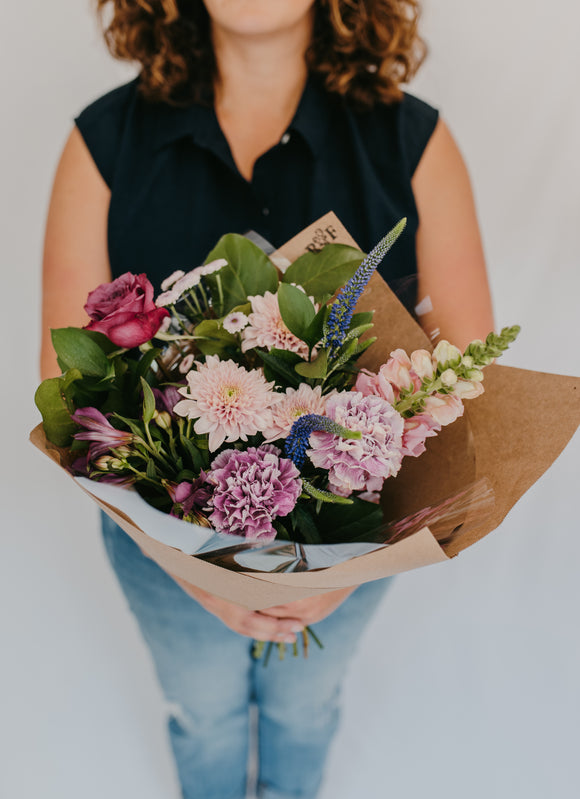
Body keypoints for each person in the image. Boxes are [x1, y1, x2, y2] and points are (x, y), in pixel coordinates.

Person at [40, 1, 494, 797]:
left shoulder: (414, 142)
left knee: (307, 707)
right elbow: (66, 392)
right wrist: (183, 565)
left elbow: (465, 387)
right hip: (159, 551)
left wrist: (347, 569)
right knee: (202, 712)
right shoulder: (102, 145)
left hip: (352, 547)